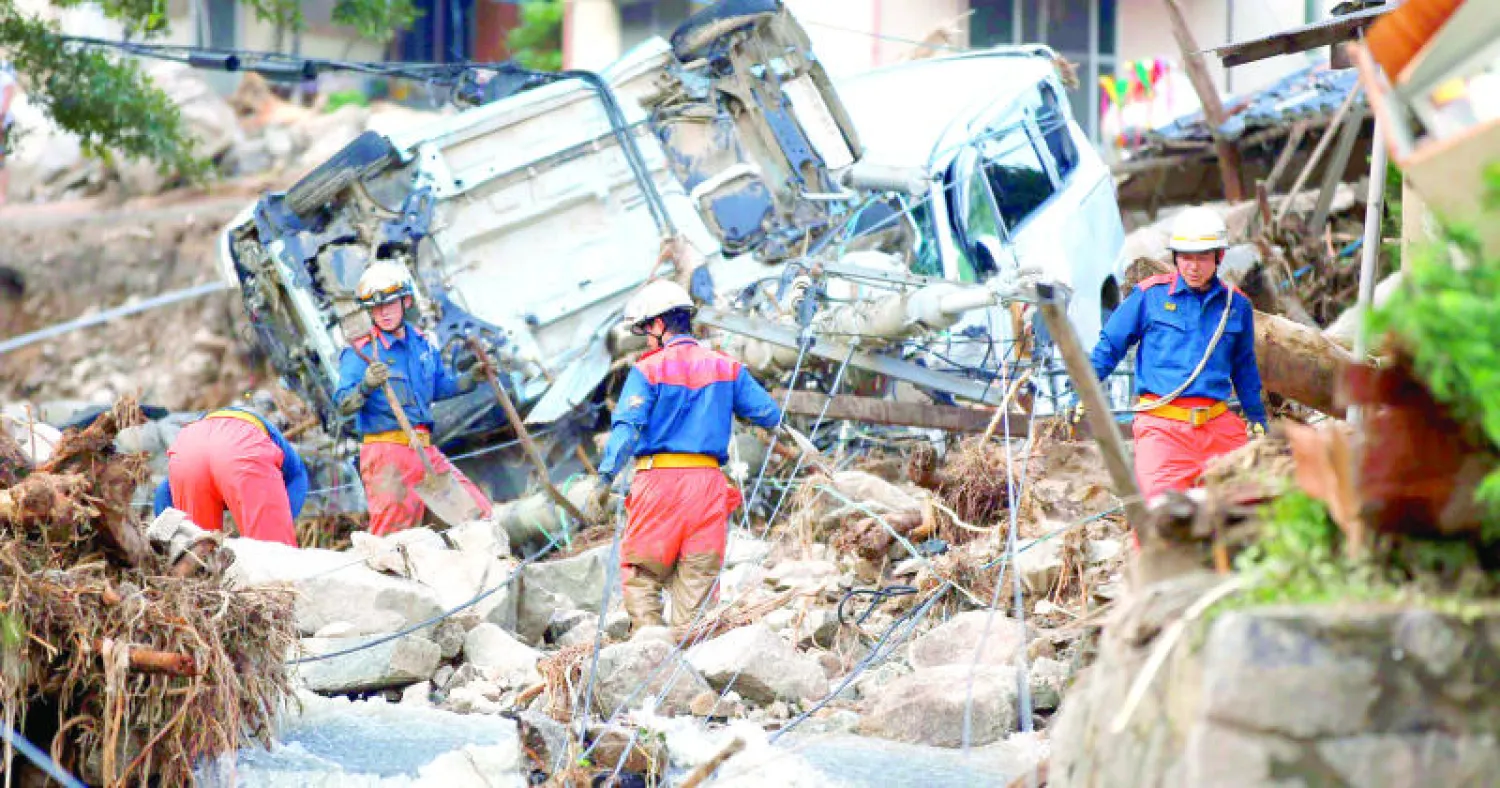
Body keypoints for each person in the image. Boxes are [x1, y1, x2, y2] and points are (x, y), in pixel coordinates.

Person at [597, 279, 783, 631]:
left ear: (658, 324)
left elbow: (627, 428)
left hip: (659, 485)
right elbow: (769, 414)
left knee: (642, 574)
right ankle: (688, 659)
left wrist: (604, 479)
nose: (647, 339)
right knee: (698, 584)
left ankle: (648, 649)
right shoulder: (726, 366)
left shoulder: (647, 369)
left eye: (646, 331)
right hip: (708, 487)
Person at [1084, 206, 1268, 503]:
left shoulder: (1237, 306)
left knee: (1246, 511)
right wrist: (1082, 392)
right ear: (1174, 257)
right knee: (1158, 518)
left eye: (1203, 257)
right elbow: (1109, 347)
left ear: (1219, 257)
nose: (1193, 267)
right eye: (1186, 257)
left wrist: (1257, 416)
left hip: (1219, 427)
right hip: (1162, 429)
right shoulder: (1149, 296)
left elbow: (1244, 368)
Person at [334, 261, 493, 536]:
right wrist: (365, 386)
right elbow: (343, 405)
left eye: (389, 304)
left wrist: (470, 380)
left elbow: (439, 387)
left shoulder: (422, 344)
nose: (382, 313)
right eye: (374, 307)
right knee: (391, 541)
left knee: (478, 518)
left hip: (424, 449)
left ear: (406, 301)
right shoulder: (360, 353)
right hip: (387, 456)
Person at [152, 404, 308, 546]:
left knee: (199, 556)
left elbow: (163, 492)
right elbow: (298, 477)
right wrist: (279, 523)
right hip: (242, 444)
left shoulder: (206, 427)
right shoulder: (287, 458)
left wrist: (168, 541)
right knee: (274, 554)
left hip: (189, 445)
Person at [0, 61, 18, 208]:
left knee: (0, 159)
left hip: (2, 121)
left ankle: (2, 196)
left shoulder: (4, 70)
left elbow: (8, 93)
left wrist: (1, 118)